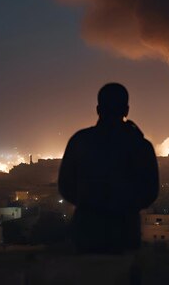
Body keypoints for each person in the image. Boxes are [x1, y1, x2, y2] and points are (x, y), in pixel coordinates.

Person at [58, 83, 159, 255]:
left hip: (88, 232)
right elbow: (151, 191)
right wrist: (124, 208)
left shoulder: (80, 141)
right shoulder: (140, 145)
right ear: (126, 110)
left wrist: (90, 205)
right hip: (125, 232)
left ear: (98, 109)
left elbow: (65, 186)